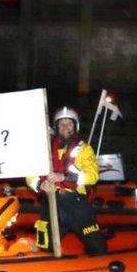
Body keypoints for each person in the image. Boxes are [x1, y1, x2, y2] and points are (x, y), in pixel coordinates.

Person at [27, 106, 108, 256]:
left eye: (69, 123)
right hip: (51, 202)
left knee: (98, 248)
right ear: (56, 126)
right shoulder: (45, 148)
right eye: (61, 123)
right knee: (45, 247)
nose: (65, 126)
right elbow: (30, 173)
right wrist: (40, 184)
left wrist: (65, 177)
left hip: (76, 205)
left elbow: (93, 175)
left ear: (75, 126)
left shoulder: (84, 149)